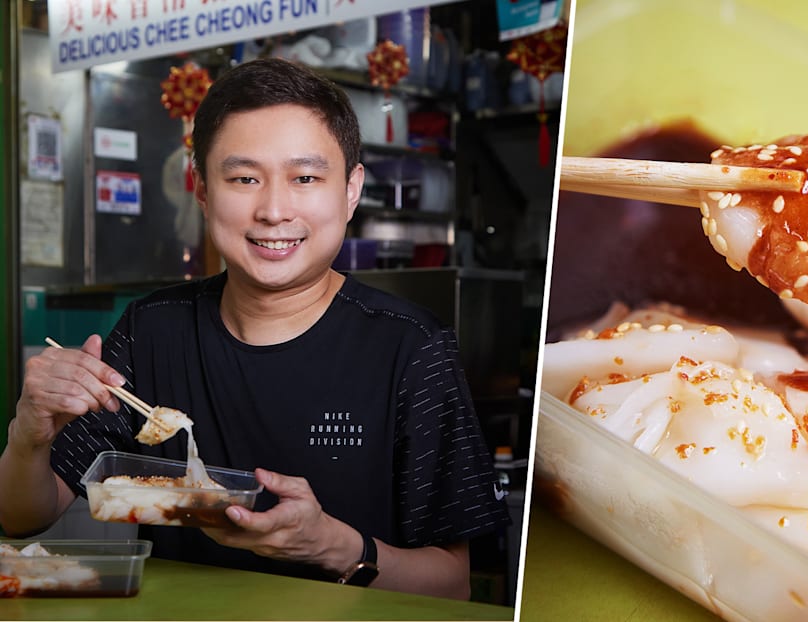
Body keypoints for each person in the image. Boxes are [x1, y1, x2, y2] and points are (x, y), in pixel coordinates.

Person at [0, 58, 510, 600]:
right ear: (200, 188)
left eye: (306, 177)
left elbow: (454, 584)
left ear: (351, 189)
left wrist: (334, 546)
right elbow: (23, 516)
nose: (272, 209)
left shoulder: (410, 346)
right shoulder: (151, 330)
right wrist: (28, 435)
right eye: (244, 178)